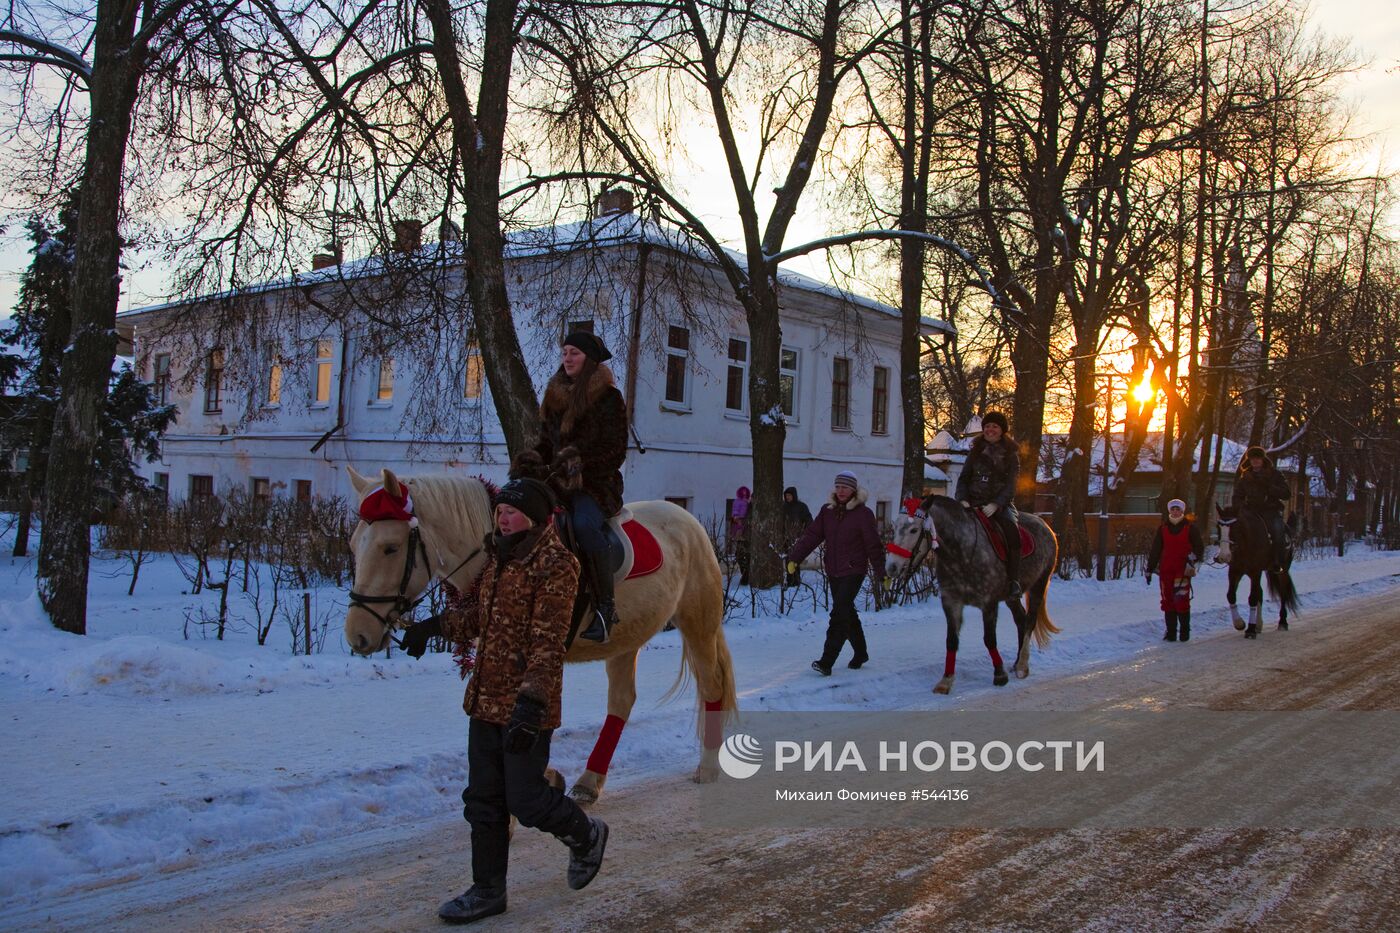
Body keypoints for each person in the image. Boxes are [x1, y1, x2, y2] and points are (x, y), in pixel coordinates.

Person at [399, 478, 609, 924]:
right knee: (483, 801)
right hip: (484, 700)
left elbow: (548, 642)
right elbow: (482, 617)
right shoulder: (500, 558)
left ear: (533, 516)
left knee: (528, 800)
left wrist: (531, 706)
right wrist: (431, 628)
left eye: (511, 512)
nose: (502, 518)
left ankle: (587, 835)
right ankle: (487, 891)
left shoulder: (556, 564)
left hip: (524, 706)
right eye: (499, 512)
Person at [526, 330, 629, 643]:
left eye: (574, 353)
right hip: (556, 483)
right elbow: (546, 443)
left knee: (584, 526)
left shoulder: (609, 398)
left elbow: (616, 450)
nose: (567, 358)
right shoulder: (555, 395)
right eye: (565, 352)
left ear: (590, 359)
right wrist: (531, 463)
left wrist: (577, 465)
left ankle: (604, 609)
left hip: (596, 485)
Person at [785, 470, 885, 675]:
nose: (841, 491)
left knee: (838, 613)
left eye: (845, 487)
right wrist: (794, 557)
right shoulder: (827, 512)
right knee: (847, 612)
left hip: (854, 570)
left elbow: (873, 545)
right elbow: (812, 536)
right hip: (834, 570)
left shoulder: (863, 514)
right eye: (838, 487)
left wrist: (881, 572)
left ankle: (826, 661)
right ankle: (861, 653)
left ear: (853, 490)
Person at [955, 411, 1023, 598]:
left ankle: (1013, 580)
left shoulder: (1011, 454)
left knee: (1012, 533)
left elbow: (1011, 485)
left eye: (994, 426)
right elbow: (963, 479)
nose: (990, 430)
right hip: (972, 504)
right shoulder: (975, 452)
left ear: (1002, 431)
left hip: (1000, 506)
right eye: (987, 426)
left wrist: (996, 504)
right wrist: (962, 499)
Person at [1146, 498, 1205, 642]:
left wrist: (1194, 559)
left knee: (1181, 601)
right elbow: (1156, 549)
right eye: (1173, 509)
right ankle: (1171, 632)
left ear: (1182, 511)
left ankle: (1185, 632)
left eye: (1178, 509)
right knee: (1167, 600)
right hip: (1166, 570)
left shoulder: (1190, 528)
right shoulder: (1163, 529)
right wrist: (1149, 568)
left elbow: (1199, 548)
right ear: (1169, 511)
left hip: (1182, 570)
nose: (1175, 511)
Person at [1232, 445, 1290, 571]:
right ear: (1249, 460)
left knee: (1277, 531)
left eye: (1258, 458)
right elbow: (1237, 496)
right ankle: (1231, 557)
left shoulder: (1275, 474)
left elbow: (1286, 493)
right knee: (1232, 529)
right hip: (1251, 512)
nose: (1255, 461)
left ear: (1263, 460)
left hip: (1271, 510)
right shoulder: (1245, 477)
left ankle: (1277, 561)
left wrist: (1270, 488)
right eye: (1252, 459)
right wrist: (1241, 506)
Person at [781, 486, 813, 587]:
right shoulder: (783, 507)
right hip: (786, 537)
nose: (788, 497)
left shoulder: (801, 506)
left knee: (795, 559)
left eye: (789, 495)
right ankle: (790, 579)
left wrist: (804, 533)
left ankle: (796, 579)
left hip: (797, 537)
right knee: (788, 559)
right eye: (786, 496)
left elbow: (808, 520)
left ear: (794, 495)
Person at [730, 486, 752, 585]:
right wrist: (736, 517)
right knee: (739, 555)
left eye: (745, 492)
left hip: (748, 533)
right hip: (740, 530)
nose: (743, 494)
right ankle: (745, 574)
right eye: (742, 492)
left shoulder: (749, 503)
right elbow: (734, 512)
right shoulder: (737, 501)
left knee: (747, 555)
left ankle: (746, 576)